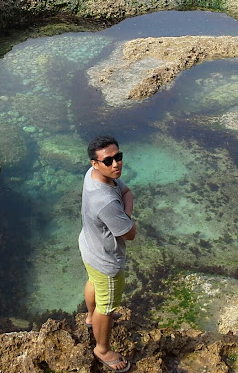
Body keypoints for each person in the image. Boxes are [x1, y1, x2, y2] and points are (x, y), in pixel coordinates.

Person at [79, 135, 135, 372]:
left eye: (118, 157)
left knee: (94, 282)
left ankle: (91, 318)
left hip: (89, 248)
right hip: (106, 260)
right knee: (108, 306)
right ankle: (102, 348)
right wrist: (126, 215)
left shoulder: (93, 176)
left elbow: (125, 190)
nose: (116, 164)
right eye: (108, 160)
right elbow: (129, 233)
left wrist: (125, 201)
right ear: (95, 163)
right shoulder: (106, 203)